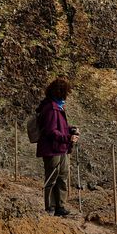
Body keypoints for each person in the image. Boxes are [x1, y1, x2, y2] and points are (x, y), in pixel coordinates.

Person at [36, 77, 79, 216]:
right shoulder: (51, 108)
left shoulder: (56, 106)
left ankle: (60, 206)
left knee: (62, 177)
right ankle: (50, 207)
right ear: (61, 92)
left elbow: (60, 127)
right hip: (52, 149)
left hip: (61, 148)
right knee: (52, 178)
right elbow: (50, 131)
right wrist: (68, 137)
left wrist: (70, 129)